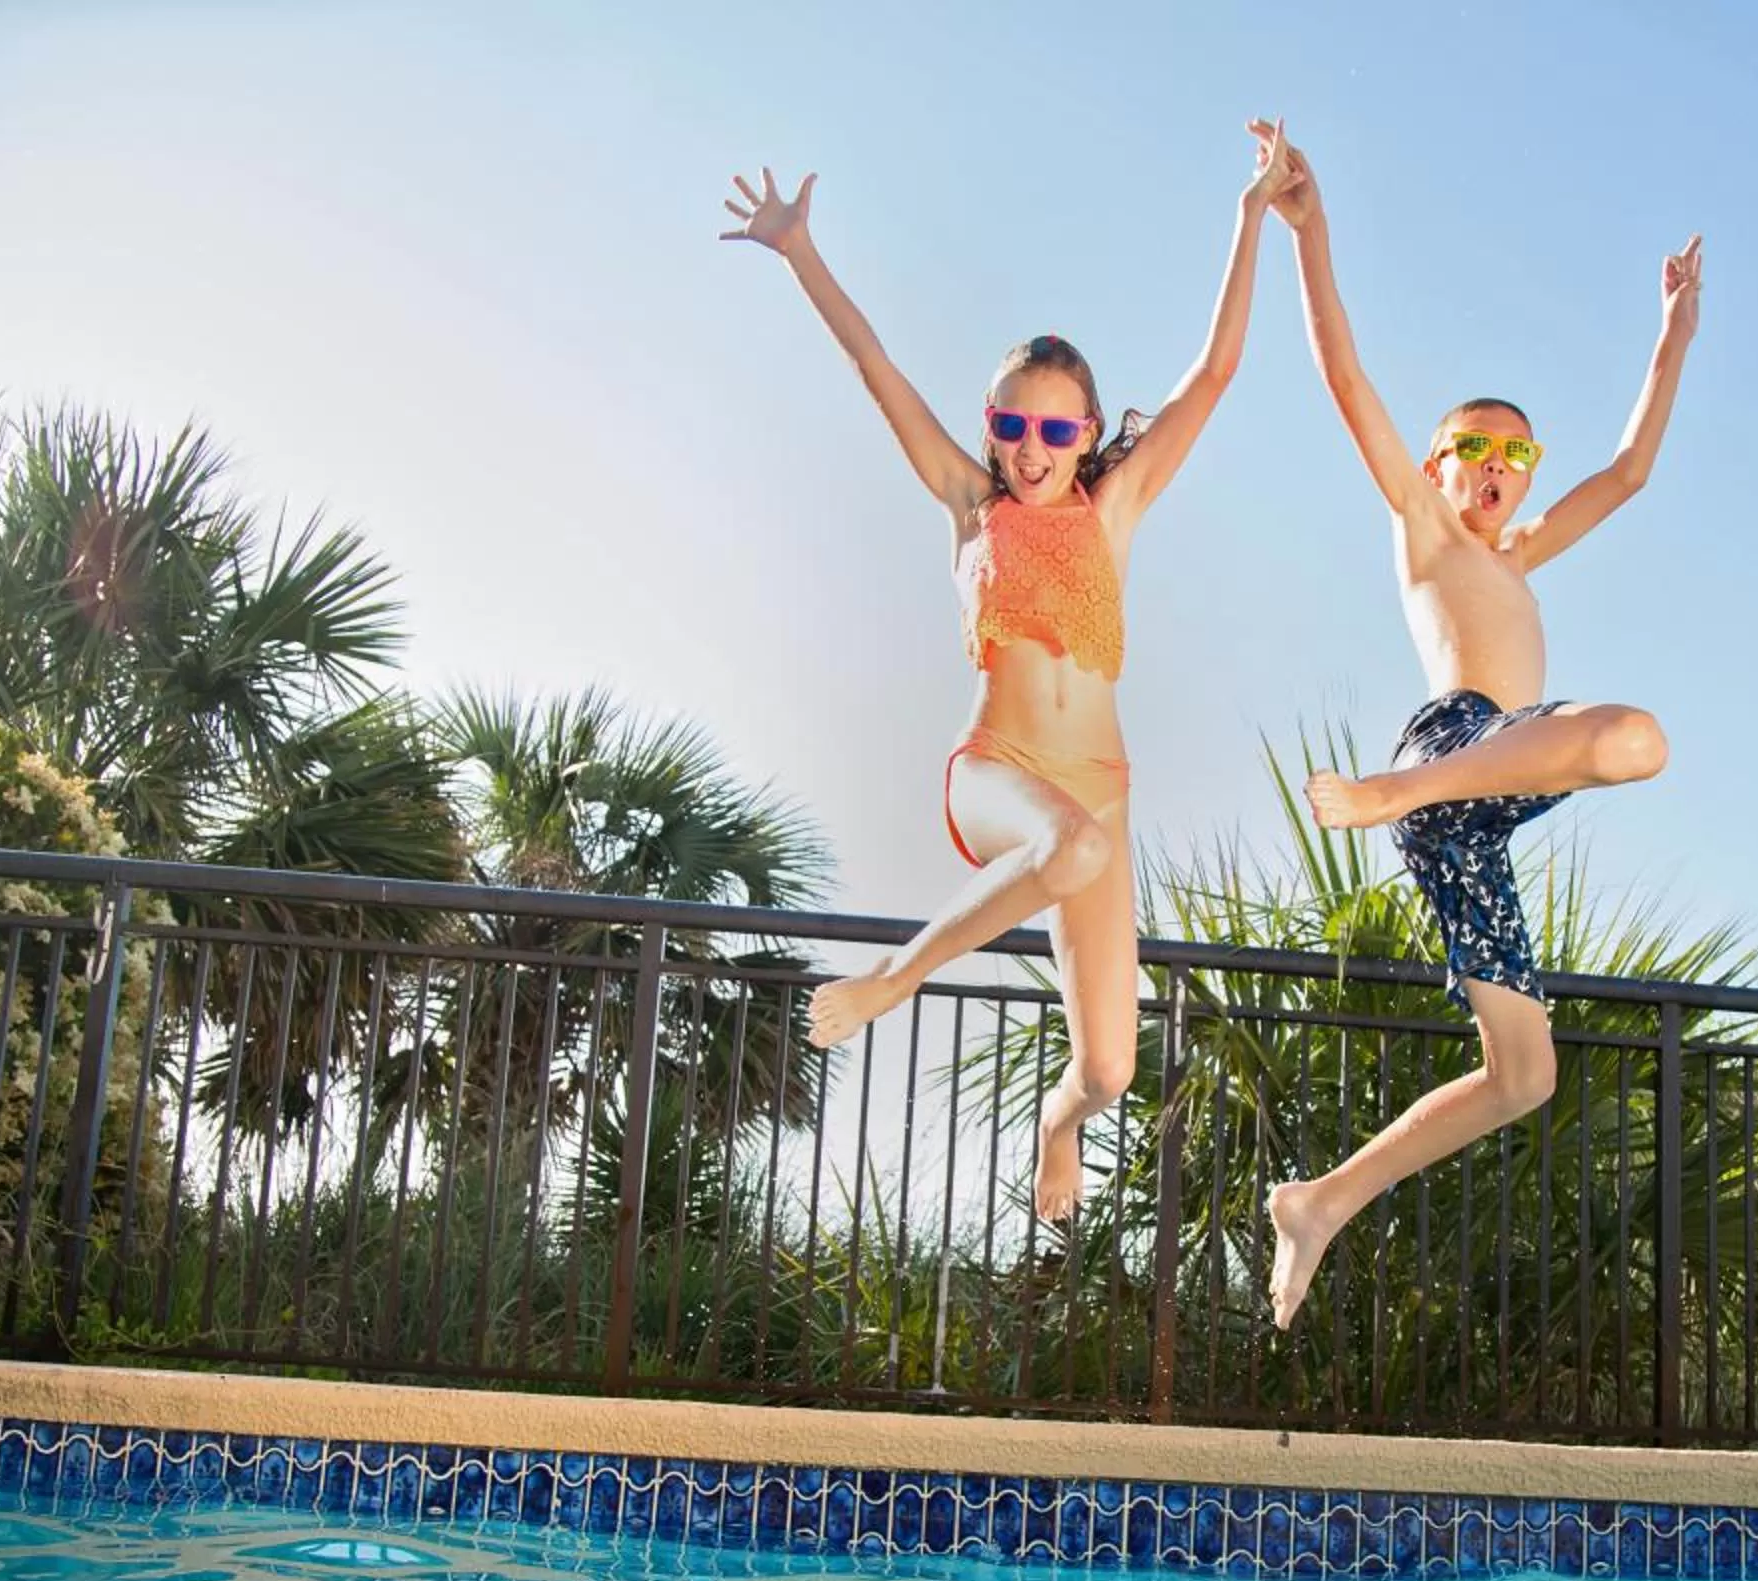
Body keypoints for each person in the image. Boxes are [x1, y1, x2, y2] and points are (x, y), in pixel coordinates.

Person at [720, 129, 1300, 1221]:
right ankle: (900, 975)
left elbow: (1215, 373)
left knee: (1113, 1068)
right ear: (991, 432)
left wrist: (1251, 211)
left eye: (1053, 426)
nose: (1030, 446)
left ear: (1086, 434)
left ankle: (1056, 1122)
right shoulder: (967, 502)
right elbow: (874, 367)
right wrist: (802, 252)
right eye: (1010, 424)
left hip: (1103, 785)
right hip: (993, 768)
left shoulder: (1112, 511)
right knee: (1065, 846)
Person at [1252, 126, 1704, 1327]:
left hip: (1470, 821)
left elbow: (1631, 471)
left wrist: (1672, 335)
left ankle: (1320, 1202)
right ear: (1440, 469)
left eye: (1516, 455)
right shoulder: (1428, 531)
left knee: (1526, 1076)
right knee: (1630, 736)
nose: (1498, 471)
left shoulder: (1526, 550)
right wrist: (1313, 233)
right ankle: (1401, 793)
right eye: (1475, 452)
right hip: (1448, 752)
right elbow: (1346, 379)